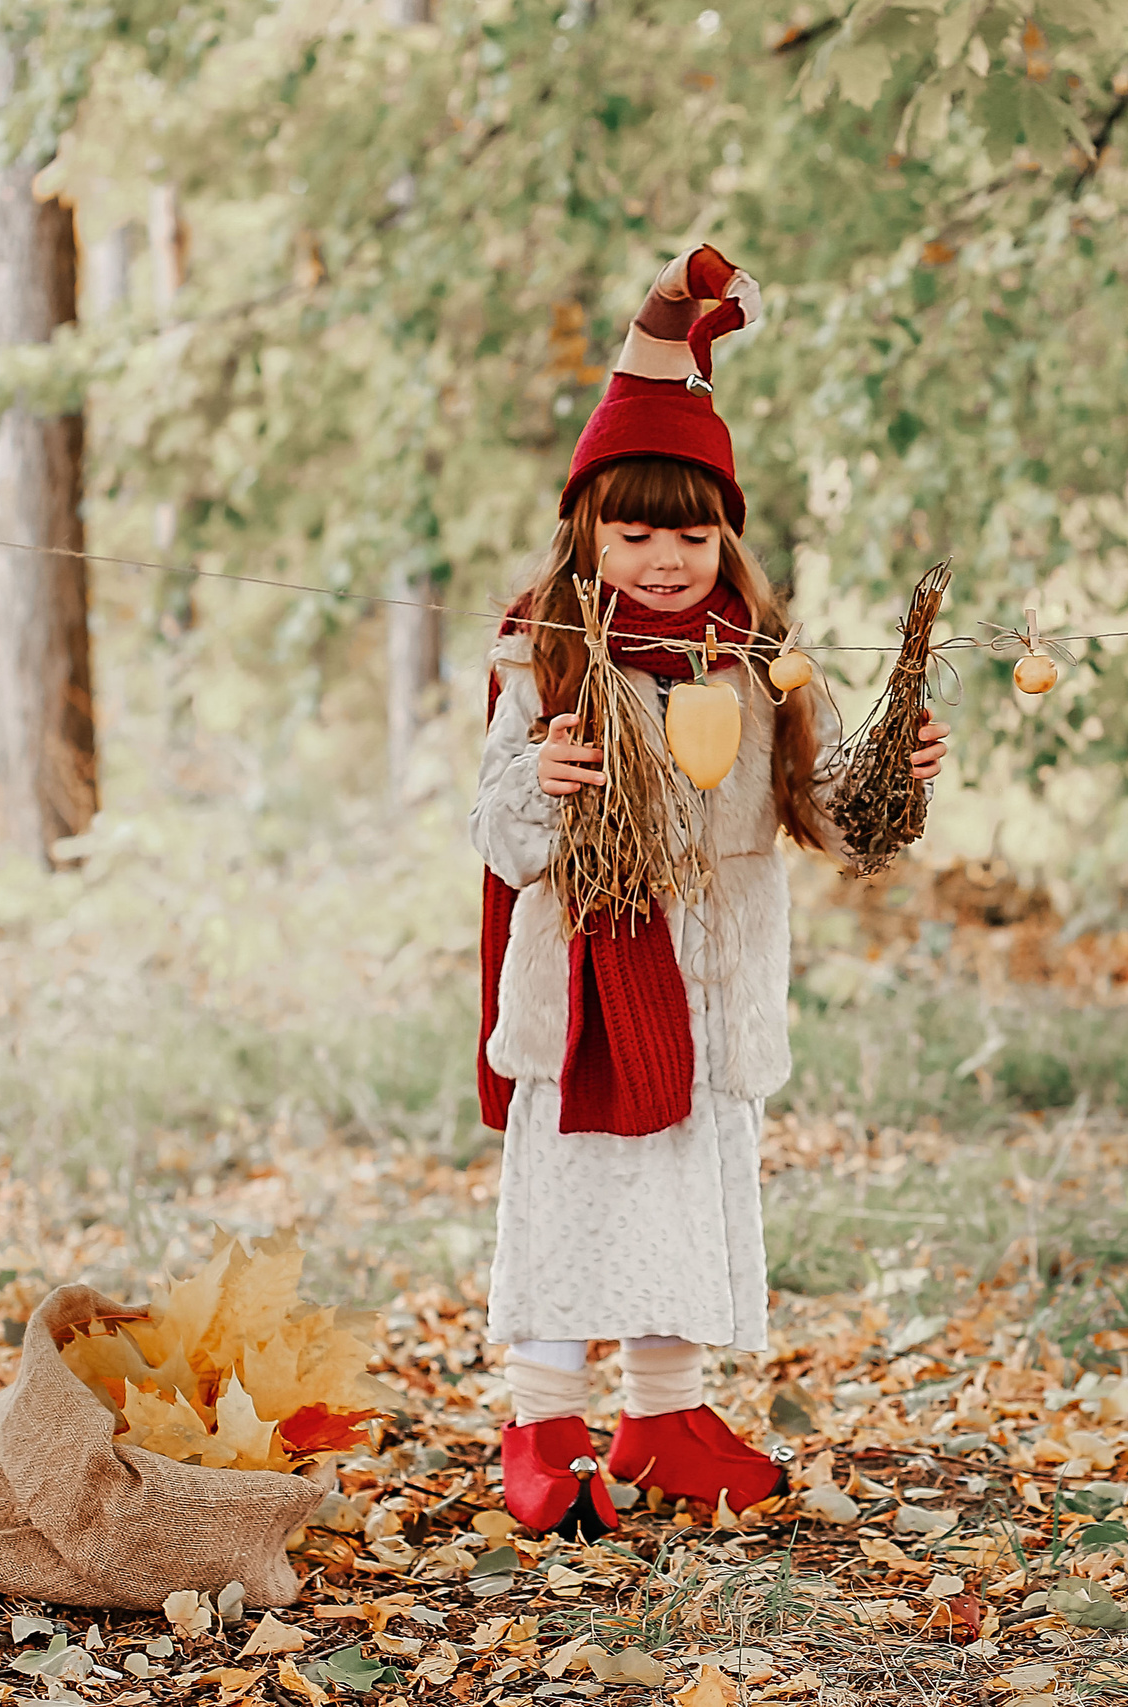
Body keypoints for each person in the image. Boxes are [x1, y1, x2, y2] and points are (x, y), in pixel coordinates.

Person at [469, 245, 948, 1537]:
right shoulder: (552, 658)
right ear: (587, 528)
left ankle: (665, 1416)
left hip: (715, 979)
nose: (666, 558)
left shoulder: (764, 666)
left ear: (725, 530)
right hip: (586, 994)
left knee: (686, 1197)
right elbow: (497, 834)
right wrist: (540, 785)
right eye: (635, 532)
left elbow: (830, 817)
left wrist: (886, 775)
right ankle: (543, 1418)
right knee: (577, 1202)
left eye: (691, 530)